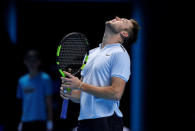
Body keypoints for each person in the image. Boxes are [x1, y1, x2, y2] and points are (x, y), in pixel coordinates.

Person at [60, 16, 140, 131]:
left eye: (123, 21)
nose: (117, 17)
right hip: (84, 121)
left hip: (106, 121)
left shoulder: (119, 53)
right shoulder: (91, 53)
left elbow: (115, 93)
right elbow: (81, 95)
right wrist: (69, 92)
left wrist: (80, 85)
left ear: (124, 33)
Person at [16, 49, 53, 131]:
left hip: (41, 121)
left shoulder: (45, 79)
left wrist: (50, 121)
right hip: (25, 122)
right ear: (25, 62)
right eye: (29, 60)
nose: (32, 63)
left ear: (39, 62)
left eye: (34, 60)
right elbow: (21, 104)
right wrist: (21, 122)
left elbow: (49, 102)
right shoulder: (21, 81)